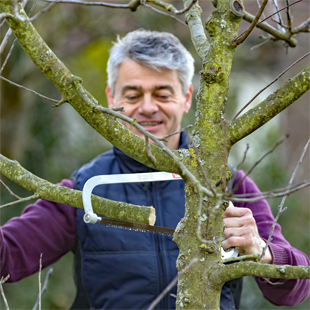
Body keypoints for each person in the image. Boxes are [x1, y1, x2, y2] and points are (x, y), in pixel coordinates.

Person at [1, 30, 309, 310]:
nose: (147, 107)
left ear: (187, 98)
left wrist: (260, 250)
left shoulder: (228, 185)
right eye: (133, 95)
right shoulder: (84, 189)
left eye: (162, 94)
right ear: (111, 99)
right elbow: (7, 257)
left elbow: (296, 287)